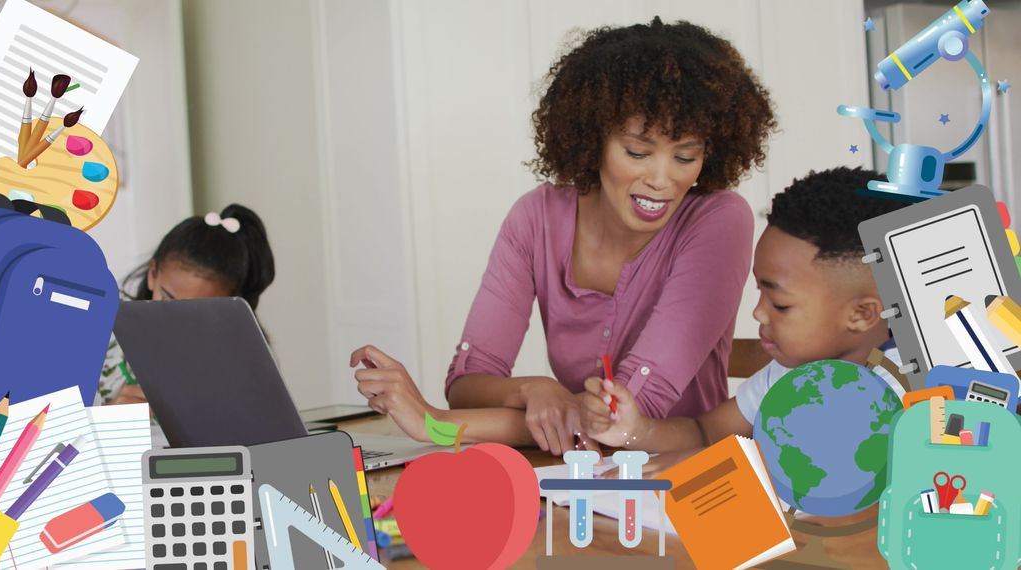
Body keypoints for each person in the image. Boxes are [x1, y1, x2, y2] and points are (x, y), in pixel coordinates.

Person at [351, 18, 776, 455]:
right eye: (637, 153)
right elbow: (468, 385)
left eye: (686, 156)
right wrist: (532, 390)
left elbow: (619, 419)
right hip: (572, 474)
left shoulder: (718, 220)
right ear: (593, 140)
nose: (663, 180)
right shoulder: (536, 218)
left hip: (674, 479)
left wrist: (434, 425)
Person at [580, 167, 909, 475]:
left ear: (862, 314)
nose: (758, 312)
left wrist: (716, 464)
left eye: (780, 305)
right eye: (759, 291)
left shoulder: (908, 390)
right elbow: (706, 432)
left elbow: (836, 465)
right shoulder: (788, 372)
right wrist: (636, 429)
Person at [99, 204, 275, 405]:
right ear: (153, 274)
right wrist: (107, 418)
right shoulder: (99, 329)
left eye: (197, 314)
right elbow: (57, 428)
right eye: (167, 300)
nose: (175, 323)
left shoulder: (242, 361)